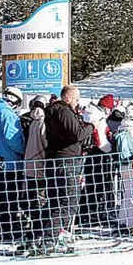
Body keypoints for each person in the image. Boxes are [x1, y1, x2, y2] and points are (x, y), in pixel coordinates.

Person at [44, 85, 94, 248]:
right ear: (68, 98)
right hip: (65, 160)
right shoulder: (63, 111)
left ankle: (52, 233)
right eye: (76, 99)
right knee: (68, 200)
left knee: (58, 199)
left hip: (58, 158)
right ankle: (51, 236)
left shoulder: (53, 111)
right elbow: (77, 133)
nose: (77, 103)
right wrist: (91, 127)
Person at [0, 86, 26, 242]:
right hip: (11, 162)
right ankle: (10, 229)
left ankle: (2, 226)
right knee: (11, 198)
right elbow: (13, 138)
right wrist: (23, 150)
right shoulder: (8, 115)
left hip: (1, 161)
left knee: (3, 198)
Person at [80, 94, 116, 227]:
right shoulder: (99, 118)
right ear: (106, 108)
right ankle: (98, 213)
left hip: (89, 154)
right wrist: (110, 150)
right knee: (101, 184)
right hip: (100, 155)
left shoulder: (88, 114)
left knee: (90, 184)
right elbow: (100, 139)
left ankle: (86, 212)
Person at [22, 95, 48, 241]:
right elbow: (45, 143)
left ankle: (34, 227)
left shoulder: (32, 121)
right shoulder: (42, 122)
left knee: (33, 198)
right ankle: (38, 230)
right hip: (39, 166)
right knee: (40, 199)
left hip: (29, 165)